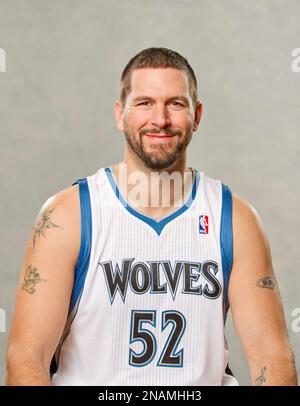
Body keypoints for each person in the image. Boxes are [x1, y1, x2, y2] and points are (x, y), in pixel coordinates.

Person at [6, 47, 297, 386]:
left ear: (197, 115)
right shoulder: (68, 216)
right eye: (144, 103)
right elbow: (26, 357)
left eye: (176, 103)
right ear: (120, 114)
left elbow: (271, 356)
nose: (160, 119)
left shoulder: (233, 218)